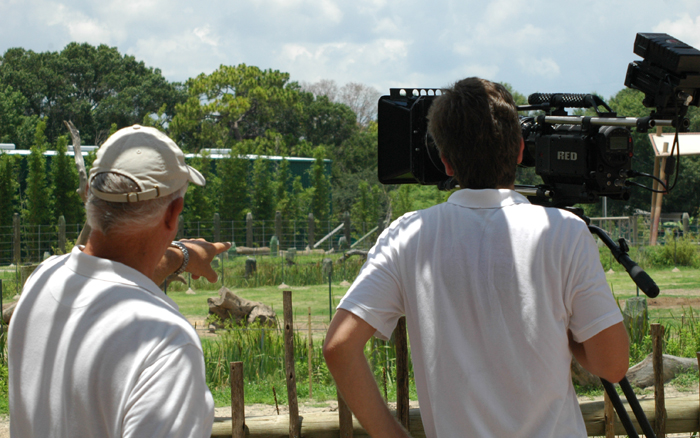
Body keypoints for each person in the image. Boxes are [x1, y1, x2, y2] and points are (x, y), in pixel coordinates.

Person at [323, 78, 630, 437]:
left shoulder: (408, 236)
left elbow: (339, 347)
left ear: (446, 162)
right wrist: (570, 335)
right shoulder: (563, 232)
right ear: (519, 151)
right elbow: (613, 365)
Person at [8, 125, 230, 437]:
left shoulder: (43, 280)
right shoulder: (166, 344)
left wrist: (181, 255)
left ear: (90, 199)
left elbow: (114, 276)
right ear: (173, 213)